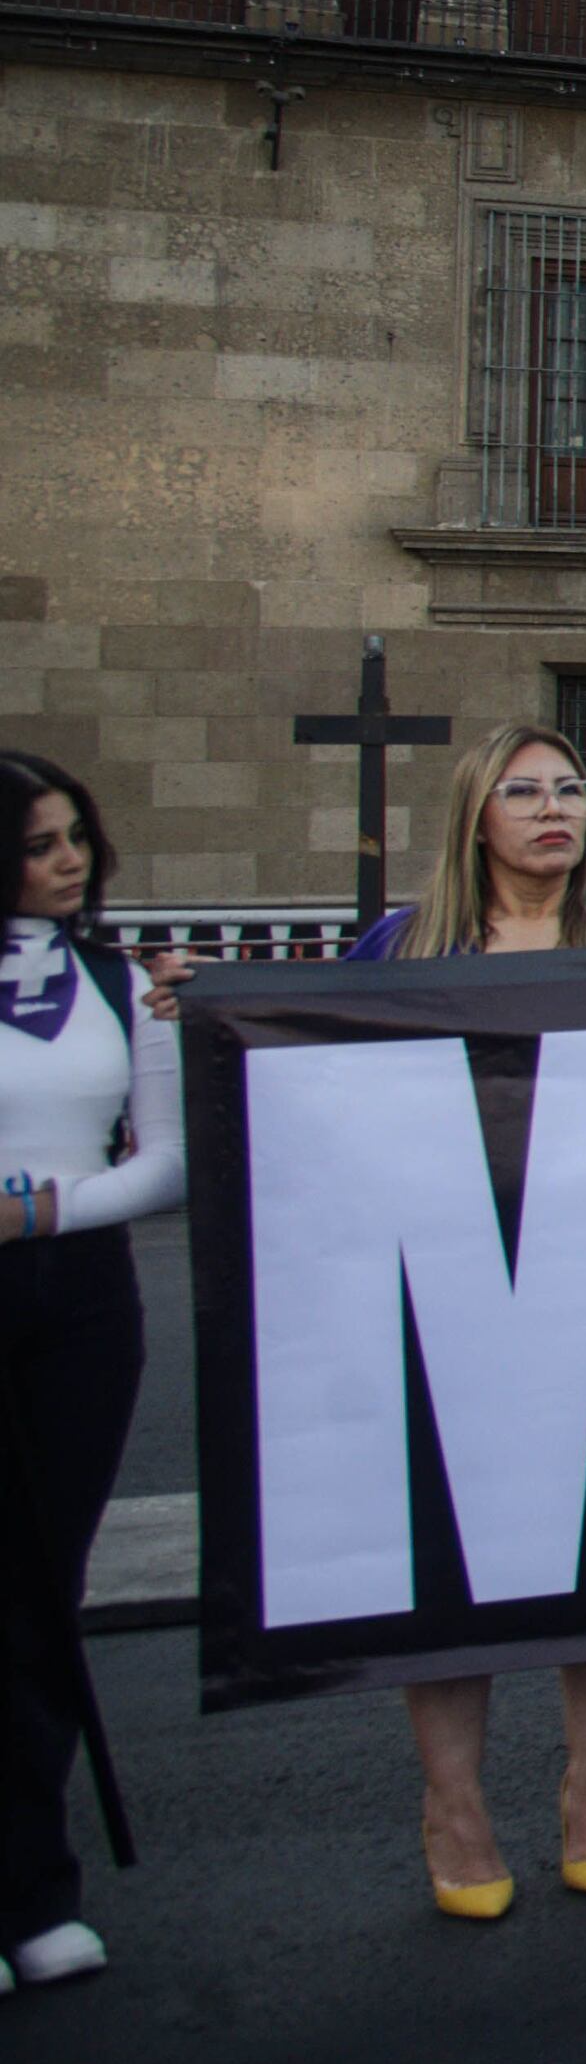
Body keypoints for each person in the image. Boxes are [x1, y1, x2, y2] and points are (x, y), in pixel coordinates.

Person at [351, 728, 586, 1916]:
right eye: (525, 791)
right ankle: (452, 1802)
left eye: (572, 788)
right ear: (476, 814)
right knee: (449, 1553)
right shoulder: (401, 950)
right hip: (440, 1285)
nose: (555, 808)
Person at [0, 753, 175, 1991]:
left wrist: (42, 1210)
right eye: (38, 844)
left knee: (40, 1593)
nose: (68, 862)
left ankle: (31, 1886)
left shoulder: (120, 981)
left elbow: (164, 1162)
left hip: (84, 1303)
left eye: (75, 838)